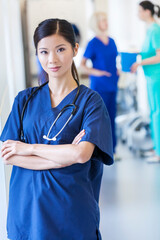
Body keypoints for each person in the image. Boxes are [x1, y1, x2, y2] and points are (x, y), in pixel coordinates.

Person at [0, 18, 113, 240]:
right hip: (27, 215)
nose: (52, 59)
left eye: (60, 49)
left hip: (71, 213)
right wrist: (66, 155)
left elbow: (82, 154)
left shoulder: (91, 102)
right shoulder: (25, 100)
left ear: (75, 49)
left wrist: (28, 148)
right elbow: (7, 155)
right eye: (43, 52)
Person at [81, 12, 120, 160]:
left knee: (112, 117)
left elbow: (113, 60)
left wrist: (117, 69)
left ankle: (113, 150)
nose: (106, 22)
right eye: (103, 20)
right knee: (100, 119)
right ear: (97, 23)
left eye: (106, 20)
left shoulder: (112, 41)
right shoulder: (93, 43)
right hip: (99, 85)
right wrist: (96, 72)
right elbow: (83, 65)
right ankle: (100, 151)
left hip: (112, 83)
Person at [131, 1, 160, 163]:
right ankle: (156, 147)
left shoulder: (155, 30)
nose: (138, 14)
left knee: (157, 113)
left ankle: (159, 152)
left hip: (157, 76)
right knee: (153, 112)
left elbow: (159, 56)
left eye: (140, 11)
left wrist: (140, 62)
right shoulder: (150, 30)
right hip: (150, 77)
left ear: (147, 12)